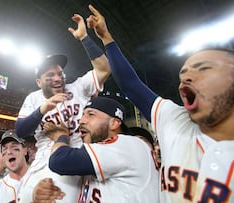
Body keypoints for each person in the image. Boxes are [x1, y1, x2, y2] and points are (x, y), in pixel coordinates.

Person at [87, 4, 234, 202]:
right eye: (183, 73)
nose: (186, 77)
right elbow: (130, 84)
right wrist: (106, 37)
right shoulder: (174, 118)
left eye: (203, 68)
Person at [15, 13, 111, 202]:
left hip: (75, 156)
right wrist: (42, 109)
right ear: (39, 81)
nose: (58, 78)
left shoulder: (78, 87)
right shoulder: (34, 99)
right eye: (50, 76)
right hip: (43, 161)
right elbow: (20, 130)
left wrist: (84, 38)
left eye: (60, 73)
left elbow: (104, 69)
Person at [41, 97, 159, 202]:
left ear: (114, 123)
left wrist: (61, 137)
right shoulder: (101, 162)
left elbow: (59, 160)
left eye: (91, 114)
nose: (81, 121)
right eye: (82, 115)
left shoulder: (128, 144)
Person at [0, 130, 30, 203]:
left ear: (25, 151)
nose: (9, 152)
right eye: (5, 149)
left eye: (14, 147)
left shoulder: (44, 182)